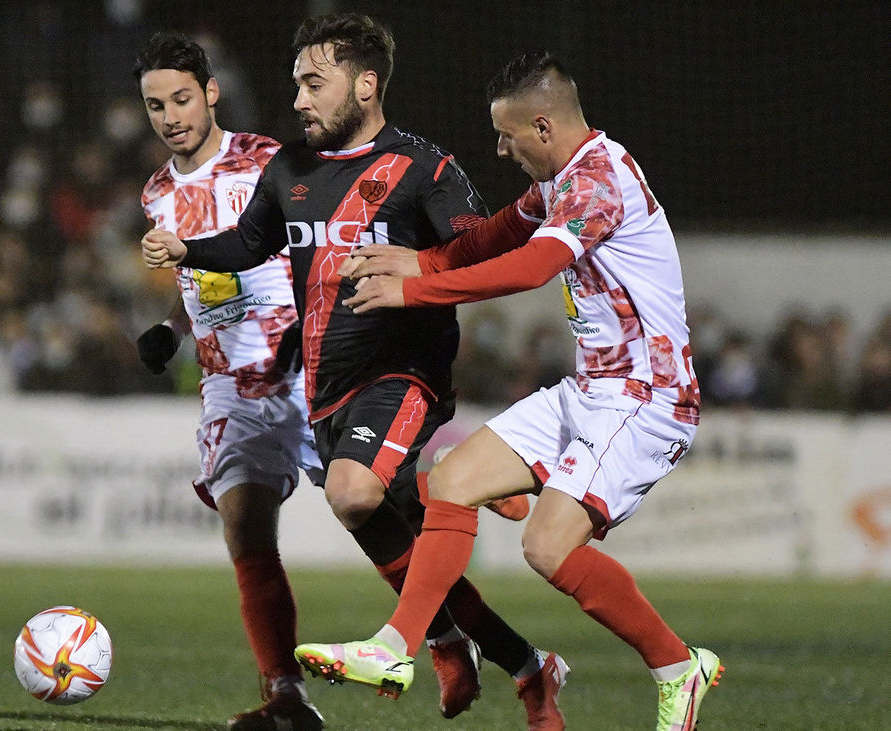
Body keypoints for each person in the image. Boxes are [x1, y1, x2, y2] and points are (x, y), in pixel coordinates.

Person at [142, 15, 560, 727]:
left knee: (354, 492)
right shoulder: (287, 173)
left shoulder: (420, 167)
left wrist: (426, 265)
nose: (299, 100)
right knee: (378, 519)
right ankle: (519, 659)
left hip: (396, 371)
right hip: (320, 386)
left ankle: (458, 503)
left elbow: (478, 250)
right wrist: (186, 253)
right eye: (296, 84)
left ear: (365, 86)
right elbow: (247, 243)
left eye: (313, 83)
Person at [294, 52, 723, 731]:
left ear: (544, 127)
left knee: (546, 548)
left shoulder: (598, 182)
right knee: (453, 478)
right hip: (593, 388)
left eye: (507, 134)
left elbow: (529, 268)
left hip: (647, 398)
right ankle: (395, 647)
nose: (500, 148)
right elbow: (499, 234)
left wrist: (413, 289)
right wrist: (424, 258)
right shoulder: (561, 178)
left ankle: (677, 664)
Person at [133, 32, 324, 730]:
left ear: (211, 92)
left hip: (302, 362)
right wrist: (174, 331)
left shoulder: (268, 160)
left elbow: (311, 249)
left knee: (378, 507)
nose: (170, 115)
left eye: (182, 98)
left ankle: (461, 631)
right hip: (227, 380)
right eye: (156, 104)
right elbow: (197, 279)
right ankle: (287, 696)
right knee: (245, 527)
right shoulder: (156, 192)